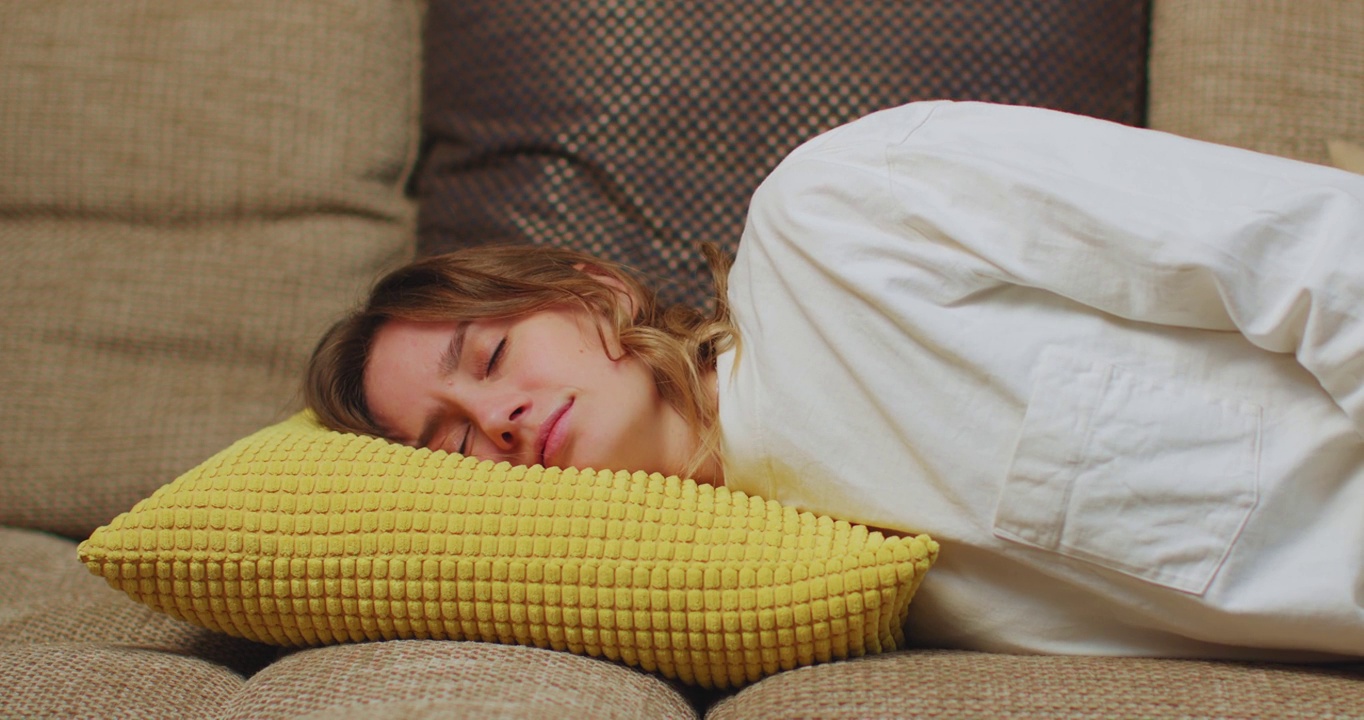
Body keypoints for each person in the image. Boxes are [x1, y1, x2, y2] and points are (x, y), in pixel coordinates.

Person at [307, 100, 1364, 661]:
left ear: (594, 290)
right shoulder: (776, 585)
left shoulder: (842, 212)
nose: (494, 420)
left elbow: (1306, 249)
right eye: (447, 441)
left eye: (487, 357)